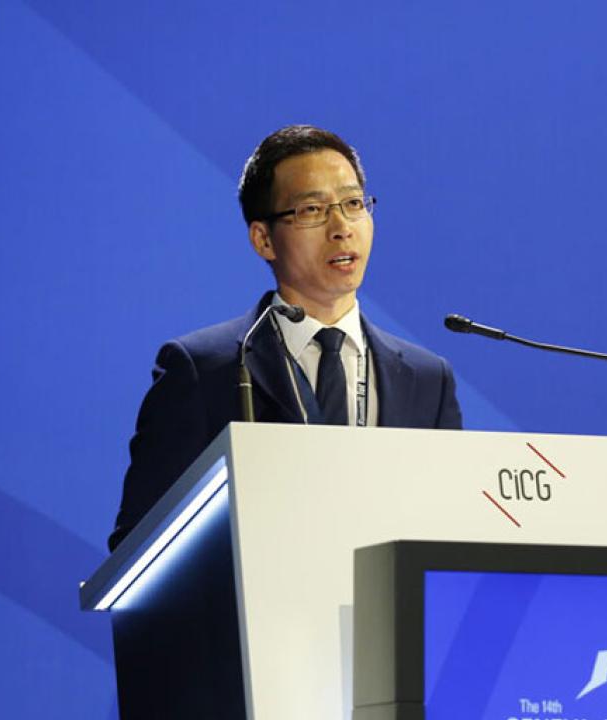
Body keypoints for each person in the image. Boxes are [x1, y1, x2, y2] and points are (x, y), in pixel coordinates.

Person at [108, 125, 462, 551]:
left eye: (353, 204)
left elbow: (448, 537)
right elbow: (139, 546)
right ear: (263, 239)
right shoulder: (205, 370)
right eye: (312, 210)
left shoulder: (426, 380)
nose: (341, 227)